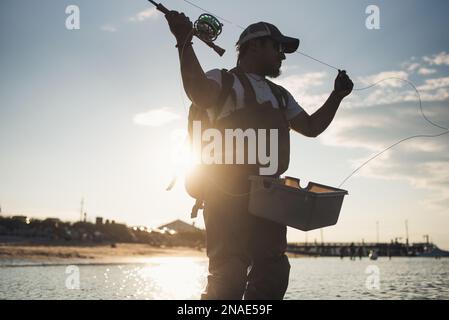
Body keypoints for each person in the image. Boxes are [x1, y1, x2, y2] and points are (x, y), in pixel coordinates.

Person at [164, 11, 353, 300]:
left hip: (270, 198)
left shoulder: (281, 95)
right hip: (224, 194)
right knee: (228, 276)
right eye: (277, 47)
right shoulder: (223, 80)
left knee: (273, 274)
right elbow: (199, 93)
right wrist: (184, 42)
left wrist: (336, 96)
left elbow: (312, 127)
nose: (282, 56)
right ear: (254, 46)